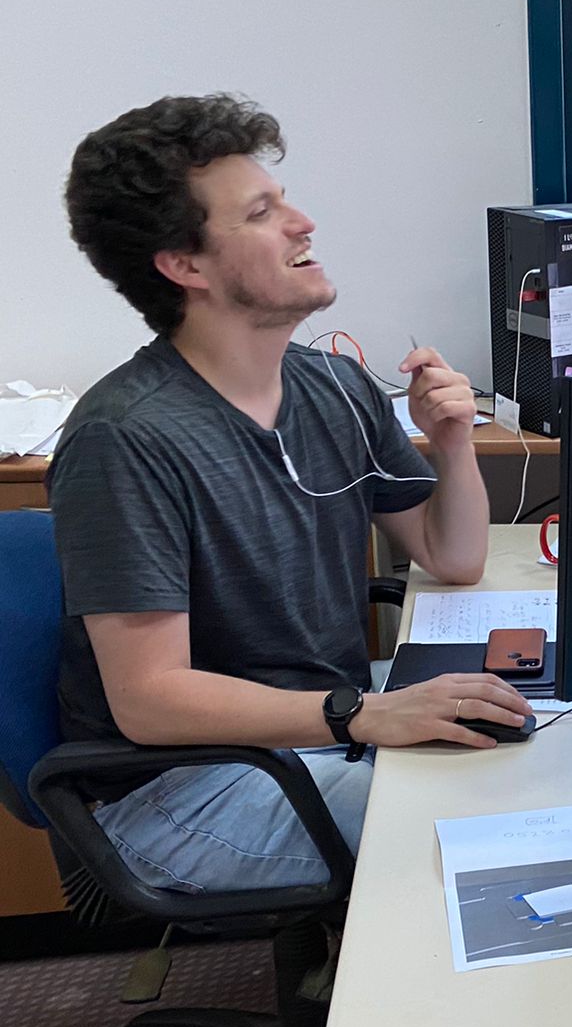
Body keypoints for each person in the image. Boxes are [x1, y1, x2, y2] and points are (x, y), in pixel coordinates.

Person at [50, 94, 532, 894]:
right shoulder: (124, 438)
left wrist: (452, 444)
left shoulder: (332, 386)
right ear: (185, 265)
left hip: (319, 727)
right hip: (180, 786)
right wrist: (361, 714)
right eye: (262, 213)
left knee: (537, 751)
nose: (303, 223)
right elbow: (150, 701)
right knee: (476, 831)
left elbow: (453, 557)